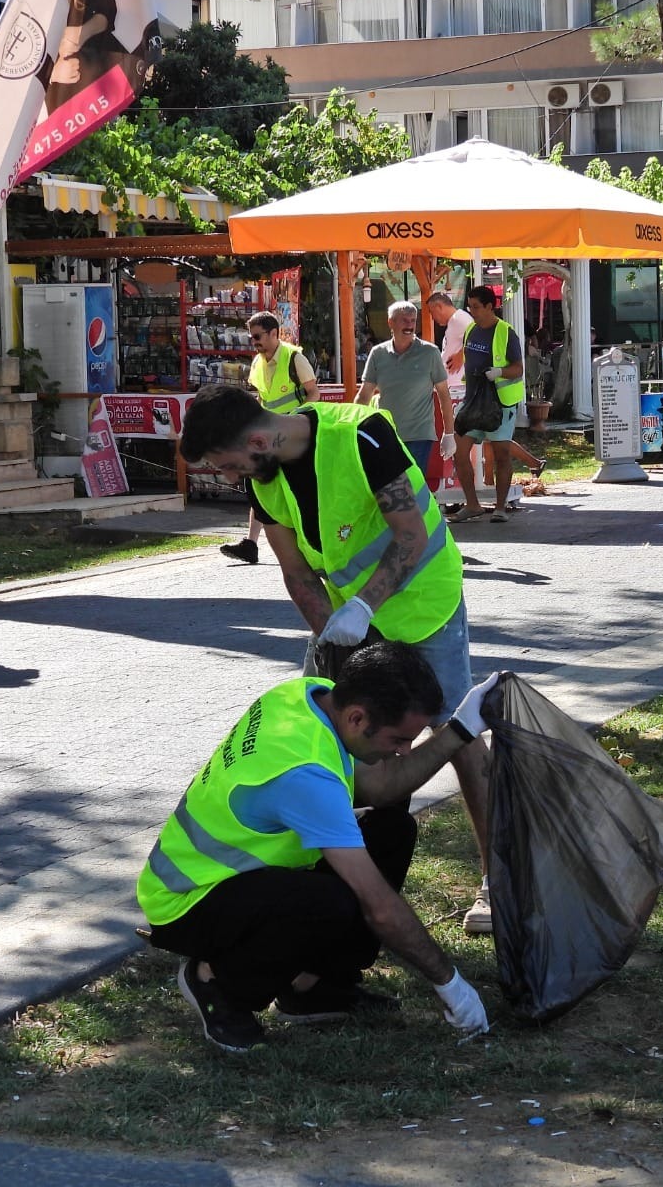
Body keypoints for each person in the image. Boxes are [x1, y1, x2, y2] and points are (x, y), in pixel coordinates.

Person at [180, 384, 497, 935]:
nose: (230, 477)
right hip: (348, 621)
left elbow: (410, 534)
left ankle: (498, 880)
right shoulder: (265, 478)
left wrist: (361, 608)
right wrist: (332, 633)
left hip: (425, 605)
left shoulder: (362, 432)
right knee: (322, 736)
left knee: (458, 731)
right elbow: (297, 572)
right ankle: (332, 876)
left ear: (259, 439)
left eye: (229, 465)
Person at [137, 642, 496, 1052]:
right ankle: (216, 982)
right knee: (331, 901)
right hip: (186, 900)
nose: (403, 751)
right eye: (399, 739)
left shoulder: (309, 696)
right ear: (358, 717)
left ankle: (314, 989)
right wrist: (449, 983)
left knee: (391, 830)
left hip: (230, 873)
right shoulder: (305, 773)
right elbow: (377, 904)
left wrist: (461, 731)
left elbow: (381, 788)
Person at [220, 310, 320, 565]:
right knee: (259, 484)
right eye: (252, 337)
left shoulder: (295, 359)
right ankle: (250, 544)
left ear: (274, 333)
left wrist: (294, 422)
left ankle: (308, 543)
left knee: (295, 490)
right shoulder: (257, 362)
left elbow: (313, 394)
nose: (254, 342)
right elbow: (264, 398)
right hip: (266, 437)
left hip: (292, 438)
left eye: (258, 336)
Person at [448, 286, 526, 523]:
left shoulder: (506, 332)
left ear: (490, 307)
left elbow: (519, 368)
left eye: (476, 307)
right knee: (458, 451)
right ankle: (473, 505)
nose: (471, 311)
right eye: (469, 306)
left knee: (501, 454)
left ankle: (501, 508)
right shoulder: (471, 329)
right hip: (472, 401)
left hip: (499, 404)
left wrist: (500, 372)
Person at [356, 299, 455, 476]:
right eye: (404, 320)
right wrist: (351, 424)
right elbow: (365, 394)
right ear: (391, 323)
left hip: (419, 434)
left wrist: (449, 434)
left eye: (413, 321)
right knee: (387, 486)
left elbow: (444, 395)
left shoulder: (430, 353)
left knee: (413, 487)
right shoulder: (378, 354)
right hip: (385, 434)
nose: (410, 325)